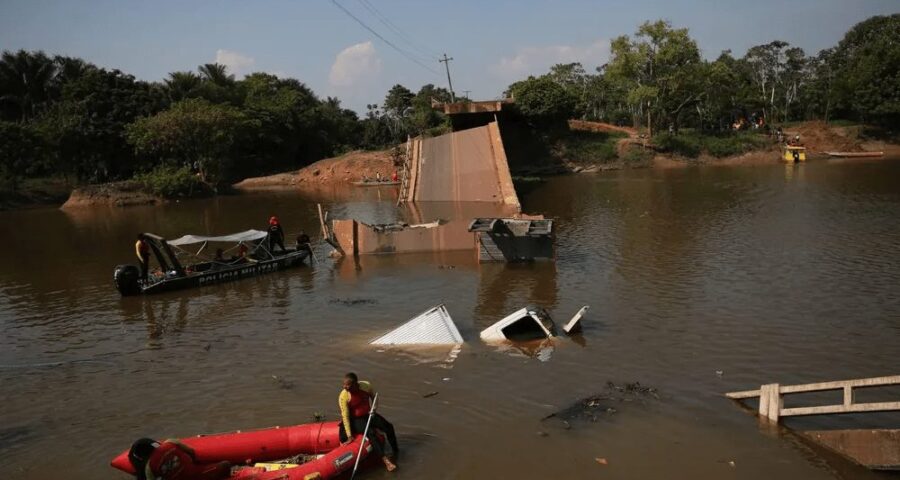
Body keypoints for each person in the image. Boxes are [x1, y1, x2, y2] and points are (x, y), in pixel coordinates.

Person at [339, 373, 399, 472]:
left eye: (347, 385)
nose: (344, 387)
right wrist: (349, 436)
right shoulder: (344, 396)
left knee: (388, 427)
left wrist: (374, 409)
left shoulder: (366, 386)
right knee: (371, 433)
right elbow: (345, 416)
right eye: (344, 384)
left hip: (368, 414)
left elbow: (374, 396)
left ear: (355, 384)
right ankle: (386, 461)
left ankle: (396, 451)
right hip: (355, 419)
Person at [127, 437, 230, 480]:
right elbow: (191, 452)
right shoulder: (170, 442)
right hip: (197, 474)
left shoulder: (149, 468)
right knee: (226, 465)